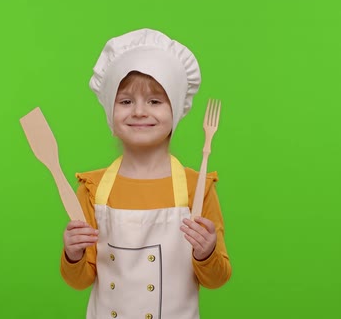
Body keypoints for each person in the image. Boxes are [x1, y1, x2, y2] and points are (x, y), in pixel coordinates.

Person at [60, 28, 231, 319]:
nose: (139, 111)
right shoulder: (93, 187)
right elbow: (80, 281)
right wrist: (72, 254)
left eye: (155, 101)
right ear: (109, 112)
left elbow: (217, 279)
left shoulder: (197, 187)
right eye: (126, 101)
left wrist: (206, 251)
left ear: (175, 110)